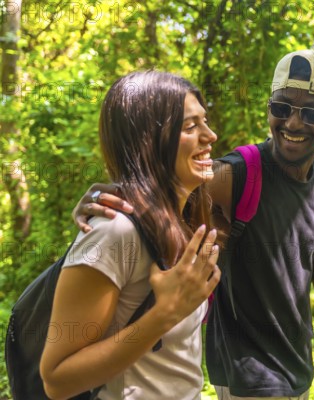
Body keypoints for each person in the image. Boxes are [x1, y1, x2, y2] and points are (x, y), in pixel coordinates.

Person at [73, 50, 314, 400]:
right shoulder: (236, 174)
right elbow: (159, 186)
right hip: (245, 373)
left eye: (310, 113)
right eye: (281, 108)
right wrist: (103, 196)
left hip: (297, 367)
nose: (292, 123)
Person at [40, 71, 221, 400]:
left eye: (204, 122)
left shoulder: (183, 221)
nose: (211, 135)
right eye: (190, 126)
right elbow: (57, 379)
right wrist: (165, 314)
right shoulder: (115, 231)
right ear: (149, 141)